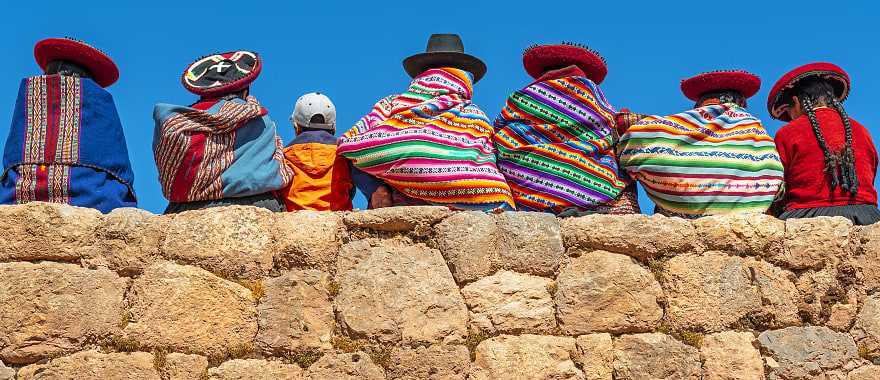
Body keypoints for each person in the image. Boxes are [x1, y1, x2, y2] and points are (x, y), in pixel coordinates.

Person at [337, 34, 514, 211]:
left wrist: (374, 189)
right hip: (483, 200)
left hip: (401, 207)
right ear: (465, 78)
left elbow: (348, 144)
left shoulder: (391, 105)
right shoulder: (477, 116)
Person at [494, 42, 638, 215]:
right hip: (594, 189)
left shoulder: (524, 98)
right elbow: (613, 124)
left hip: (531, 196)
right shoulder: (591, 95)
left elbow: (498, 130)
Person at [618, 70, 784, 218]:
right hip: (749, 219)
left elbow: (635, 136)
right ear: (742, 103)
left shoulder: (675, 129)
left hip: (681, 222)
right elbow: (777, 181)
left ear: (699, 105)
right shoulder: (755, 130)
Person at [0, 38, 137, 213]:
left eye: (67, 76)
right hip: (97, 200)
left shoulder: (30, 101)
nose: (59, 81)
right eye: (52, 75)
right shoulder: (102, 108)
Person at [153, 50, 291, 213]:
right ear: (245, 89)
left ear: (203, 90)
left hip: (185, 208)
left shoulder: (173, 123)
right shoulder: (259, 119)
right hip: (257, 204)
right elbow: (276, 165)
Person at [768, 63, 879, 225]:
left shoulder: (787, 133)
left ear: (796, 101)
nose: (791, 118)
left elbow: (777, 186)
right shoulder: (862, 130)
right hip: (867, 216)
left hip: (807, 216)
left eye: (789, 112)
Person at [276, 92, 353, 211]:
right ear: (333, 128)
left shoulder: (283, 156)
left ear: (296, 127)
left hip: (295, 219)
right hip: (337, 217)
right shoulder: (345, 154)